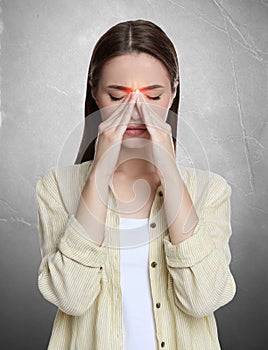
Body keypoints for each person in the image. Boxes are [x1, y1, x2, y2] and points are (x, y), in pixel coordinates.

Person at [35, 19, 236, 350]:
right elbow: (71, 297)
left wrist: (169, 171)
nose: (135, 113)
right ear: (95, 93)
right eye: (117, 96)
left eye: (152, 96)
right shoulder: (55, 187)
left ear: (172, 93)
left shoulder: (210, 191)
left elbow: (203, 299)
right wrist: (100, 171)